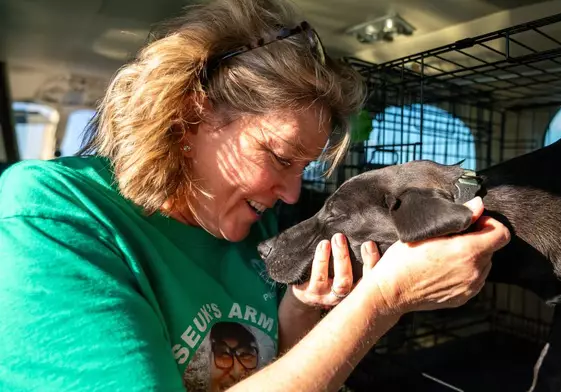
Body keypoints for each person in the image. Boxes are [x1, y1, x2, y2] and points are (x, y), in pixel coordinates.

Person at [0, 0, 510, 391]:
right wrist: (383, 301)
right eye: (281, 157)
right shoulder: (50, 214)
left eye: (305, 168)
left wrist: (302, 306)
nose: (291, 194)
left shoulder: (257, 227)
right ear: (189, 117)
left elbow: (278, 366)